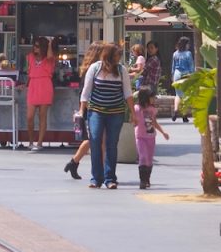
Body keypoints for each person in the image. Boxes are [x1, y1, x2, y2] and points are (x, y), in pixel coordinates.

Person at [79, 43, 136, 190]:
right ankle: (96, 178)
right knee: (95, 139)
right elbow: (86, 91)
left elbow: (128, 93)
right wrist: (81, 110)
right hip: (96, 111)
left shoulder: (121, 70)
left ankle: (110, 178)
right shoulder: (95, 68)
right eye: (117, 55)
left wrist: (133, 114)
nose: (119, 58)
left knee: (112, 144)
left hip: (116, 112)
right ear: (109, 56)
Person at [63, 40, 103, 180]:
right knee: (96, 139)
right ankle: (99, 170)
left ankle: (74, 162)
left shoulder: (88, 68)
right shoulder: (94, 69)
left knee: (92, 139)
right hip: (92, 107)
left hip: (89, 106)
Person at [135, 87, 169, 188]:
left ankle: (147, 178)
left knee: (149, 159)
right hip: (140, 136)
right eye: (152, 97)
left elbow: (154, 122)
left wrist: (163, 132)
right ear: (146, 97)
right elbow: (133, 120)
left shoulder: (153, 109)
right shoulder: (137, 109)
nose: (153, 99)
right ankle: (142, 180)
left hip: (151, 136)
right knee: (143, 157)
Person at [25, 36, 55, 150]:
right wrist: (26, 84)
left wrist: (49, 44)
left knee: (42, 116)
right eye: (34, 45)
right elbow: (29, 72)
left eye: (37, 46)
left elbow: (50, 56)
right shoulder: (30, 57)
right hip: (33, 85)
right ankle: (31, 141)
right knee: (30, 116)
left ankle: (39, 142)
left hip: (45, 85)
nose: (34, 48)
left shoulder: (49, 59)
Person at [171, 36, 195, 121]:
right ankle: (184, 114)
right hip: (186, 74)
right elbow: (191, 66)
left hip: (177, 74)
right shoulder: (188, 53)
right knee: (186, 95)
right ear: (186, 44)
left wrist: (172, 75)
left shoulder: (175, 53)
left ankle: (176, 109)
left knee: (178, 95)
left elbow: (173, 66)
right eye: (188, 44)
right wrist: (193, 75)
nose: (189, 45)